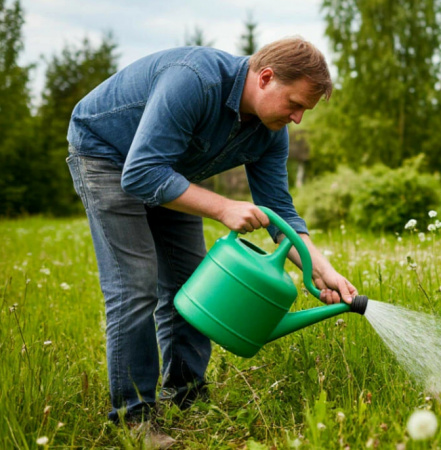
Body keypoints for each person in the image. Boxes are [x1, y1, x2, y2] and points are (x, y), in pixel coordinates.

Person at [66, 37, 357, 441]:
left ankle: (185, 395)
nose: (297, 118)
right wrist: (222, 207)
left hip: (167, 170)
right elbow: (140, 173)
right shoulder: (195, 80)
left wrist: (322, 270)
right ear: (266, 77)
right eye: (295, 104)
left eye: (304, 110)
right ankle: (133, 418)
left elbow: (279, 211)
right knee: (134, 286)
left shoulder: (270, 132)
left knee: (190, 283)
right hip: (108, 157)